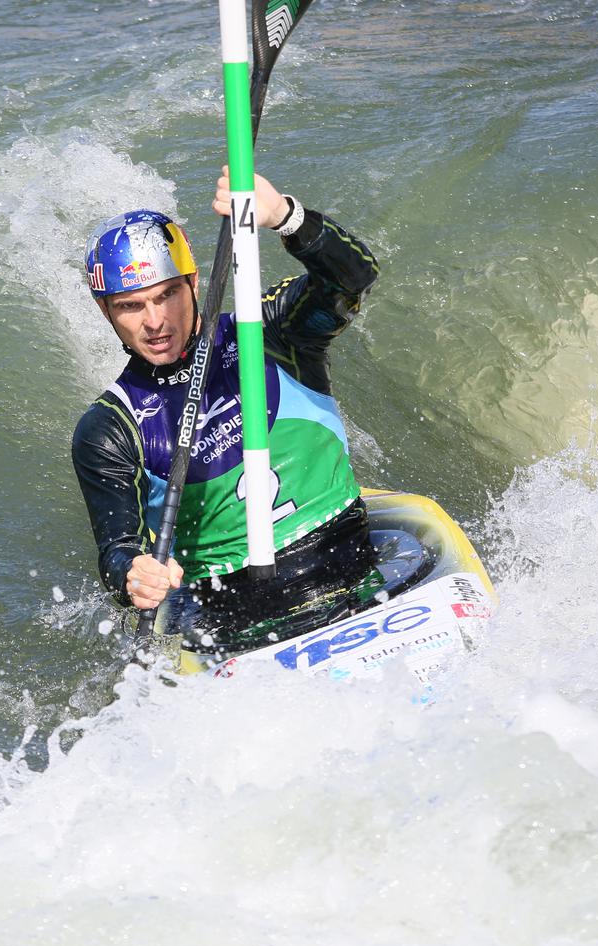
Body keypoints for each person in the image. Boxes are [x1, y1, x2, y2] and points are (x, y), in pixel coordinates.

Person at [72, 169, 380, 654]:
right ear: (106, 311)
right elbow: (117, 549)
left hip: (345, 558)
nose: (154, 321)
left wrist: (285, 217)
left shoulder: (271, 333)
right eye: (131, 306)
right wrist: (135, 573)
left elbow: (354, 278)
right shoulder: (108, 428)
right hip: (229, 612)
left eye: (166, 295)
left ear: (193, 282)